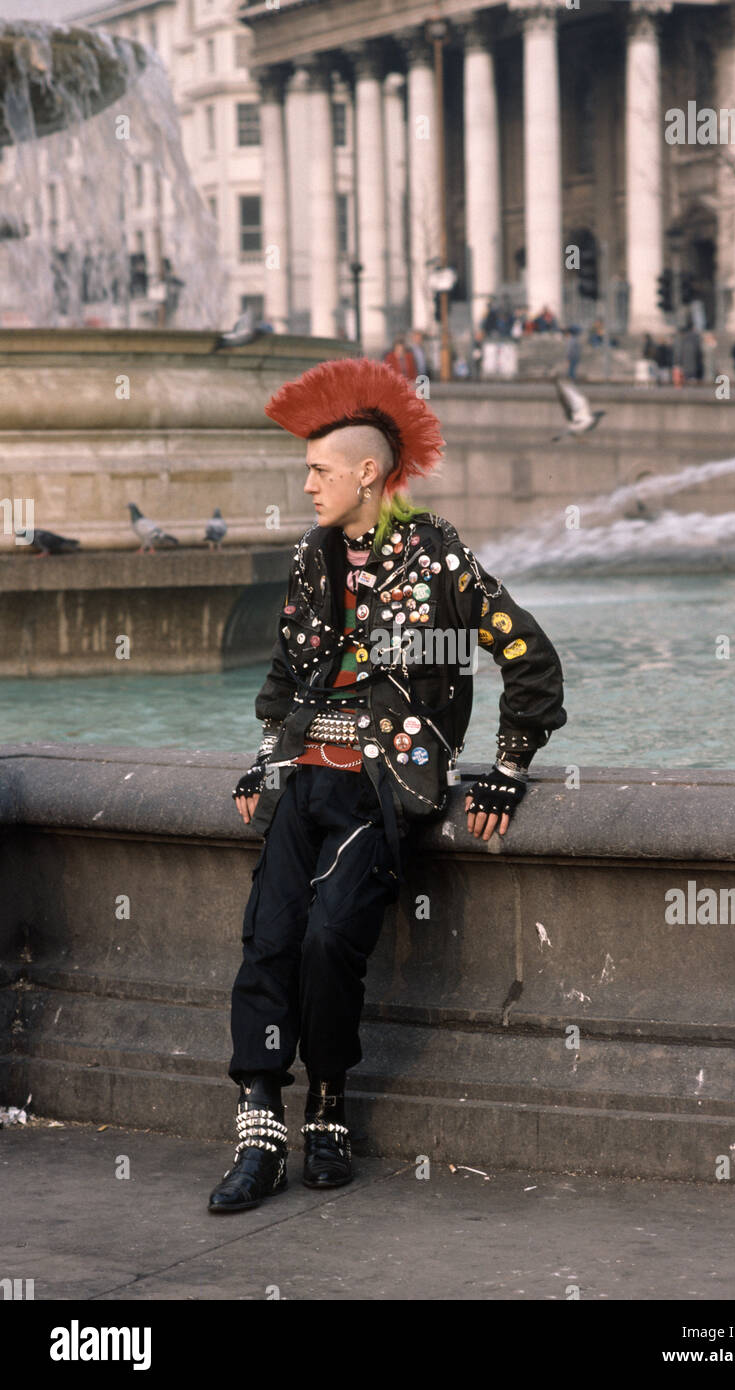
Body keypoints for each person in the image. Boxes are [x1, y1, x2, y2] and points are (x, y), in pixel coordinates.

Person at [207, 356, 567, 1213]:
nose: (306, 486)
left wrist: (506, 771)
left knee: (332, 940)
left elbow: (527, 654)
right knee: (268, 940)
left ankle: (328, 1103)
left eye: (318, 471)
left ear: (368, 474)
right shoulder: (312, 557)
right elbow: (288, 671)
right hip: (304, 781)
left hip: (380, 788)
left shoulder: (440, 557)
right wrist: (267, 757)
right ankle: (258, 1120)